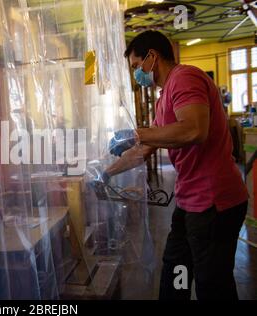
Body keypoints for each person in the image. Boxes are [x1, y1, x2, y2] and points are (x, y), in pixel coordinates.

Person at [102, 31, 248, 300]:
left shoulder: (184, 78)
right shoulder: (164, 96)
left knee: (212, 283)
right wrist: (106, 174)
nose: (136, 75)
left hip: (214, 202)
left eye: (136, 67)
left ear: (152, 58)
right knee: (176, 266)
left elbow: (194, 130)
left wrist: (137, 133)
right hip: (190, 200)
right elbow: (144, 149)